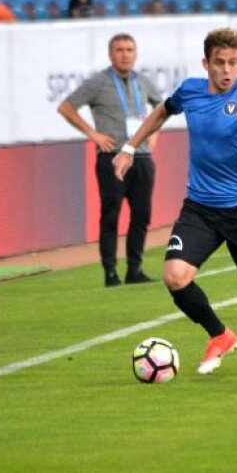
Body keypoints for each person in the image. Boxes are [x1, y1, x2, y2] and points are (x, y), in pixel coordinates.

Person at [112, 28, 237, 374]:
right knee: (175, 276)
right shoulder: (191, 92)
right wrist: (129, 147)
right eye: (219, 63)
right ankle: (220, 334)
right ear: (206, 63)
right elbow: (161, 112)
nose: (226, 71)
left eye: (232, 63)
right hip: (200, 208)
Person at [59, 34, 165, 287]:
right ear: (110, 54)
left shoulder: (142, 81)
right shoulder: (99, 82)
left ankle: (135, 269)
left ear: (136, 54)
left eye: (130, 49)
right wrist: (92, 133)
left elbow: (161, 107)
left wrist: (154, 134)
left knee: (142, 214)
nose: (125, 54)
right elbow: (66, 106)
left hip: (140, 156)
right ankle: (110, 272)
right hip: (112, 156)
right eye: (120, 50)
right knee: (111, 214)